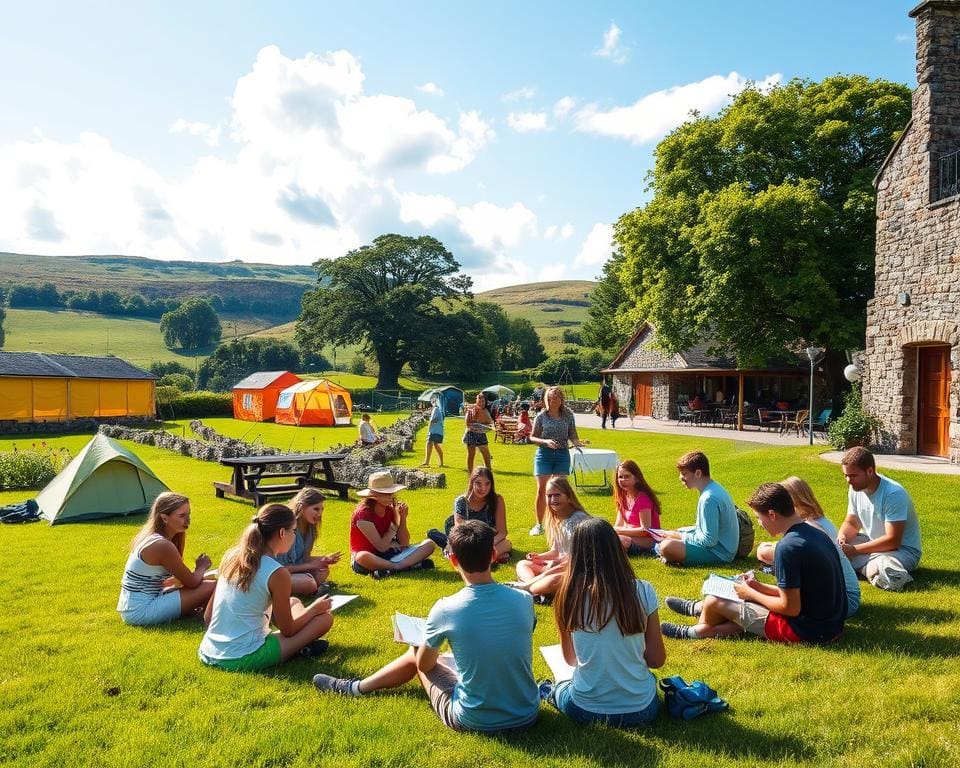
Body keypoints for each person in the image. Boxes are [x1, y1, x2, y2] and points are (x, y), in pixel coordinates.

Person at [313, 520, 540, 734]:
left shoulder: (446, 609)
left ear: (453, 561)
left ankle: (356, 688)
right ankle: (357, 687)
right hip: (528, 713)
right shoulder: (523, 599)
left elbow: (424, 664)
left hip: (474, 719)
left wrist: (424, 646)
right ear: (493, 555)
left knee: (416, 652)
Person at [661, 483, 845, 644]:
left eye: (759, 517)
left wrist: (751, 593)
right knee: (735, 591)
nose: (759, 524)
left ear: (772, 514)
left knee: (715, 600)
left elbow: (790, 607)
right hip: (829, 624)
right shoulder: (814, 533)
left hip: (807, 630)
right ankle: (698, 610)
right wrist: (757, 587)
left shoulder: (787, 548)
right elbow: (798, 593)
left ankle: (699, 630)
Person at [540, 518, 666, 727]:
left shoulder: (567, 596)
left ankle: (548, 691)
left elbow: (570, 660)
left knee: (561, 686)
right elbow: (656, 660)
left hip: (584, 710)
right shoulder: (643, 590)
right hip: (642, 709)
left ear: (577, 554)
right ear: (616, 549)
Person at [198, 503, 334, 671]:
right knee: (324, 618)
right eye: (294, 531)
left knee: (293, 602)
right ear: (282, 533)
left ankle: (302, 646)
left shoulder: (231, 556)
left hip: (208, 650)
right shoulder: (277, 572)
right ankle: (301, 647)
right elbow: (288, 629)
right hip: (242, 657)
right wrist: (314, 609)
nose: (294, 535)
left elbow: (208, 617)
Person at [758, 476, 860, 617]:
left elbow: (772, 553)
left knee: (781, 599)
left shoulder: (813, 527)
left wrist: (765, 549)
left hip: (843, 599)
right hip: (840, 595)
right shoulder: (817, 522)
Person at [117, 492, 216, 626]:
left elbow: (180, 581)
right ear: (164, 518)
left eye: (189, 514)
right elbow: (192, 582)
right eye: (182, 516)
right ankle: (212, 617)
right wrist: (201, 566)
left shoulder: (153, 537)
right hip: (140, 611)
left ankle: (199, 610)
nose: (188, 520)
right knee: (213, 585)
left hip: (135, 606)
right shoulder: (162, 545)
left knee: (212, 577)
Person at [838, 447, 922, 591]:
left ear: (870, 471)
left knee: (845, 559)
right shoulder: (856, 489)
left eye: (853, 476)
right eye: (846, 475)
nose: (848, 480)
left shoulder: (893, 493)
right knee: (833, 546)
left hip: (903, 551)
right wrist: (842, 539)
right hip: (873, 543)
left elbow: (893, 541)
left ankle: (877, 569)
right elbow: (852, 522)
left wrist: (854, 550)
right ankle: (870, 569)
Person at [512, 476, 590, 602]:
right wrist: (539, 557)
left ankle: (531, 588)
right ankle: (534, 589)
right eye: (549, 496)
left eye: (557, 495)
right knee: (522, 564)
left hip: (575, 569)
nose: (552, 500)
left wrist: (553, 567)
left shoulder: (579, 520)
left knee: (552, 580)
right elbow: (556, 551)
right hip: (558, 564)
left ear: (568, 496)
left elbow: (577, 559)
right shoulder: (556, 519)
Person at [655, 451, 738, 566]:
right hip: (723, 548)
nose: (681, 478)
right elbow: (705, 531)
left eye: (684, 474)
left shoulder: (708, 498)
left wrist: (680, 536)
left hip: (720, 553)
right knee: (675, 533)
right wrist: (679, 532)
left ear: (698, 473)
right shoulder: (712, 488)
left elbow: (709, 541)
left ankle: (666, 553)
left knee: (667, 546)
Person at [350, 471, 436, 579]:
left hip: (390, 554)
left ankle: (392, 569)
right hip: (369, 558)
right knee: (362, 556)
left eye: (391, 493)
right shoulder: (362, 515)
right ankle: (403, 566)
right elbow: (381, 547)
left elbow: (404, 543)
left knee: (429, 544)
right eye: (386, 493)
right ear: (373, 495)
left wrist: (402, 519)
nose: (390, 496)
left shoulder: (390, 510)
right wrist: (393, 528)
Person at [529, 385, 584, 536]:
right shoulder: (541, 416)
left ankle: (562, 522)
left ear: (561, 399)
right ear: (546, 400)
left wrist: (578, 443)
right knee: (542, 491)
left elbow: (573, 435)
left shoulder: (568, 415)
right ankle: (539, 524)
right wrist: (545, 442)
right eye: (549, 398)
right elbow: (532, 437)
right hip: (544, 455)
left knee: (560, 491)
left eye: (556, 398)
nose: (552, 401)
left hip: (562, 455)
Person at [427, 468, 512, 562]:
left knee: (507, 544)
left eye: (487, 483)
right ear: (472, 483)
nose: (483, 488)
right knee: (456, 548)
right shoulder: (461, 501)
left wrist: (487, 544)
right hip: (466, 539)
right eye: (478, 483)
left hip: (488, 540)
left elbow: (502, 532)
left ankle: (483, 559)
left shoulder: (497, 500)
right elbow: (461, 531)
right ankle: (489, 558)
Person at [273, 487, 341, 597]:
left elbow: (303, 558)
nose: (319, 514)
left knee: (323, 570)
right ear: (302, 506)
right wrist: (311, 565)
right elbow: (281, 567)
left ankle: (310, 589)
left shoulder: (310, 529)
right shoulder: (286, 528)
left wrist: (323, 559)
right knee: (308, 582)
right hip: (276, 574)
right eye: (316, 509)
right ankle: (312, 589)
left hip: (292, 572)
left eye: (321, 510)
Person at [612, 460, 661, 555]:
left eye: (627, 476)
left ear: (637, 478)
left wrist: (617, 531)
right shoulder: (622, 497)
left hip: (648, 540)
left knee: (617, 540)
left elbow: (645, 530)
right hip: (628, 537)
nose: (622, 480)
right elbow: (618, 525)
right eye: (620, 477)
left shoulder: (643, 498)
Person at [463, 392, 494, 473]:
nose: (481, 403)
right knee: (471, 455)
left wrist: (487, 426)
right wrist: (475, 423)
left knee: (486, 454)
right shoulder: (471, 410)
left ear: (485, 401)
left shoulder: (486, 411)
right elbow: (467, 424)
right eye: (479, 401)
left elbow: (490, 423)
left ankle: (488, 472)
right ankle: (470, 474)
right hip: (471, 434)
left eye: (483, 401)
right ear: (476, 401)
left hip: (481, 434)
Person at [420, 397, 445, 468]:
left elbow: (434, 420)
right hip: (438, 430)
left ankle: (427, 462)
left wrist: (428, 427)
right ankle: (440, 462)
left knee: (430, 443)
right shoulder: (437, 409)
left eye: (433, 401)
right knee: (435, 445)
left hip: (435, 430)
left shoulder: (436, 409)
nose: (432, 403)